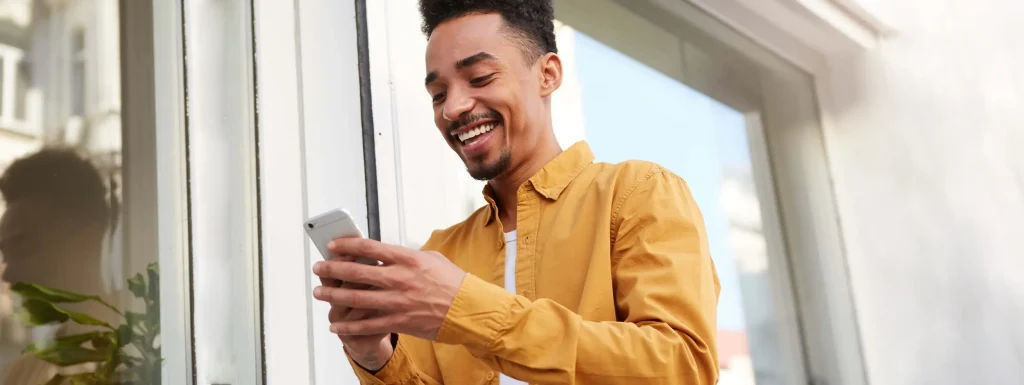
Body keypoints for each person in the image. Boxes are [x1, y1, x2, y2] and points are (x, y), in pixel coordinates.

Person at [310, 0, 721, 383]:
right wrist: (374, 356)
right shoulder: (440, 254)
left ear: (548, 74)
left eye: (480, 78)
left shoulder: (636, 194)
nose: (452, 108)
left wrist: (465, 308)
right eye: (438, 94)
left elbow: (682, 366)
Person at [0, 148, 115, 384]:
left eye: (24, 247)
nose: (10, 273)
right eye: (5, 254)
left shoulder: (139, 354)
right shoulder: (25, 371)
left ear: (86, 241)